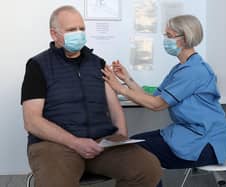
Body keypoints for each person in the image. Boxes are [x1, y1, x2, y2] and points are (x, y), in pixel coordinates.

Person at [21, 5, 162, 187]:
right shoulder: (37, 66)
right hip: (55, 145)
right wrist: (75, 142)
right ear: (54, 34)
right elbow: (32, 121)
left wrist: (120, 135)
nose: (79, 33)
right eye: (72, 30)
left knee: (148, 168)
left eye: (82, 29)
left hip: (101, 143)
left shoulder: (97, 63)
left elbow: (113, 105)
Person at [102, 14, 226, 184]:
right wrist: (127, 79)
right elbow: (152, 98)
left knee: (138, 154)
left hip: (205, 144)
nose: (165, 40)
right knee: (134, 143)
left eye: (169, 36)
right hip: (188, 134)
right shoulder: (181, 68)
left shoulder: (194, 71)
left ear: (185, 39)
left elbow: (157, 105)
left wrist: (120, 89)